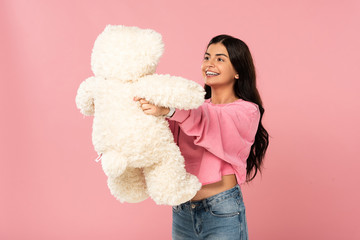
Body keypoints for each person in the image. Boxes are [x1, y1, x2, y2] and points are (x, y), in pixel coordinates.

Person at [135, 35, 269, 239]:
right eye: (207, 57)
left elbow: (211, 121)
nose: (210, 64)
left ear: (238, 71)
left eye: (220, 59)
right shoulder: (189, 109)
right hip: (182, 210)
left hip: (222, 211)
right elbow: (159, 136)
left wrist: (170, 110)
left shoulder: (247, 111)